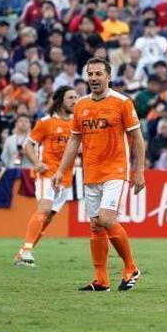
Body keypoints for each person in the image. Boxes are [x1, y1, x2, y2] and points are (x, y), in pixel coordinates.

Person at [52, 58, 145, 292]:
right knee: (95, 226)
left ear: (108, 77)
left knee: (106, 219)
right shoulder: (81, 105)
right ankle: (101, 280)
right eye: (90, 74)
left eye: (98, 74)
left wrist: (140, 171)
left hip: (116, 170)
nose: (93, 78)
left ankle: (131, 267)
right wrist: (61, 170)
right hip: (91, 172)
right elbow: (74, 140)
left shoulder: (122, 102)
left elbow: (137, 139)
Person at [13, 86, 78, 267]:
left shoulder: (77, 123)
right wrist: (37, 163)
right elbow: (28, 145)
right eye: (70, 98)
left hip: (66, 177)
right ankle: (27, 250)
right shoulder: (46, 122)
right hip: (48, 174)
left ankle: (22, 254)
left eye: (76, 97)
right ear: (59, 101)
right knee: (44, 210)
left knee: (48, 218)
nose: (75, 101)